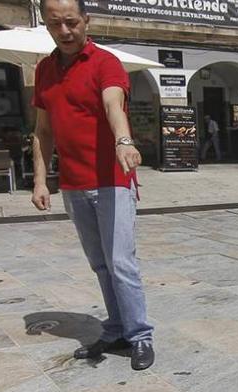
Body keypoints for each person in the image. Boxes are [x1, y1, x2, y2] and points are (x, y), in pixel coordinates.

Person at [30, 0, 155, 370]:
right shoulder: (44, 70)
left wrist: (124, 141)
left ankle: (140, 335)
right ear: (46, 25)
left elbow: (113, 105)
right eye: (56, 24)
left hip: (112, 179)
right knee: (100, 265)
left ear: (86, 20)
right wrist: (40, 181)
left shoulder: (105, 63)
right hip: (72, 183)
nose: (65, 31)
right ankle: (115, 328)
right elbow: (42, 130)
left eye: (71, 22)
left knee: (121, 263)